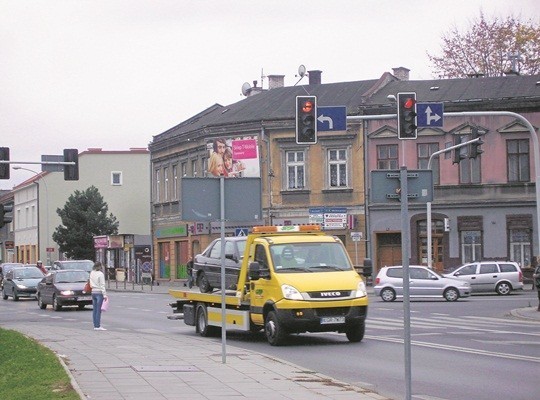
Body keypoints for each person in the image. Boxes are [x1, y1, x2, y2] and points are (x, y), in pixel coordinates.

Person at [90, 262, 108, 331]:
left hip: (93, 292)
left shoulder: (92, 273)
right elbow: (102, 285)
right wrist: (105, 295)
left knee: (94, 310)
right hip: (99, 292)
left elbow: (91, 283)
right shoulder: (100, 274)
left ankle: (95, 325)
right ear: (100, 267)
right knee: (98, 310)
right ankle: (98, 326)